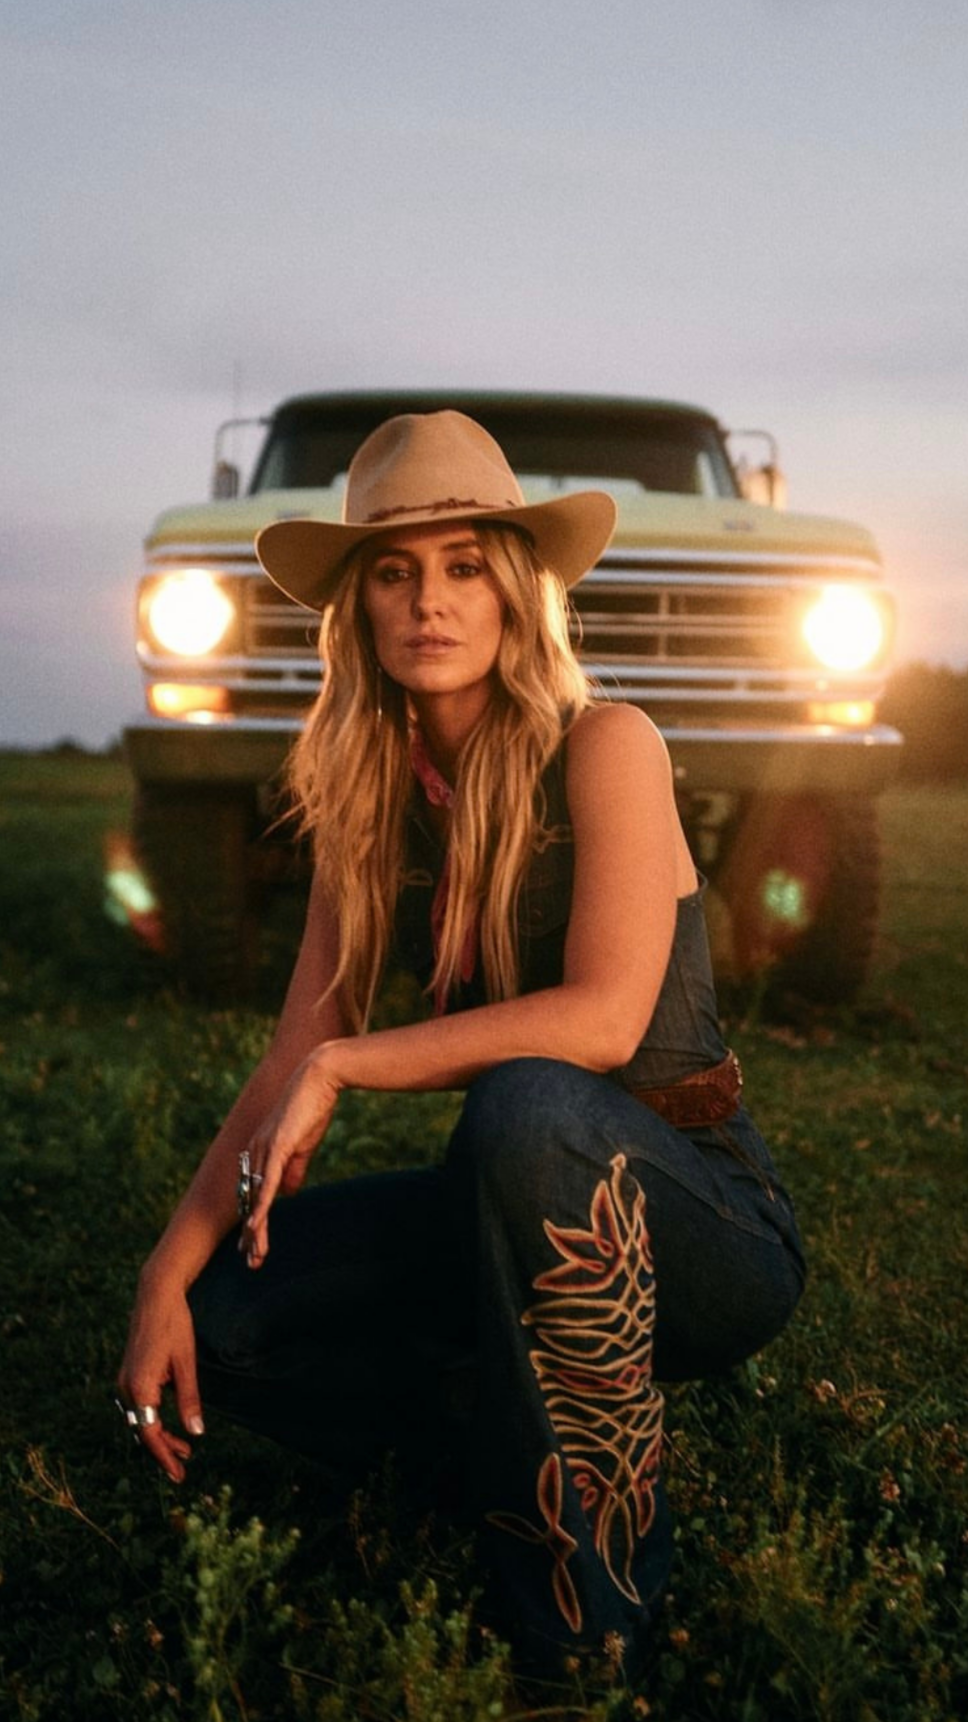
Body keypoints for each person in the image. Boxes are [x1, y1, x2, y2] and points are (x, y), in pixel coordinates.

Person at [117, 410, 806, 1680]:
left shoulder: (609, 745)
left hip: (701, 1223)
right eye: (393, 571)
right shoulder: (370, 803)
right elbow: (289, 1056)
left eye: (463, 566)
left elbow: (602, 1020)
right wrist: (166, 1267)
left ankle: (584, 1628)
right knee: (225, 1323)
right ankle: (504, 1457)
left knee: (530, 1107)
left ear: (512, 594)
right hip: (503, 1207)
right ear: (358, 611)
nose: (428, 600)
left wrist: (349, 1065)